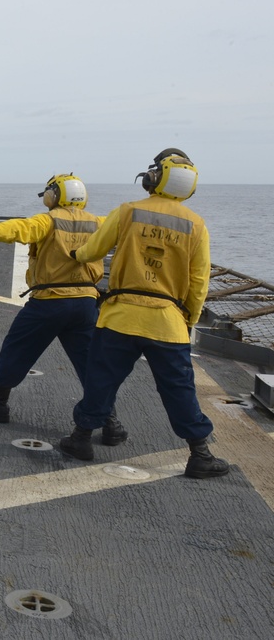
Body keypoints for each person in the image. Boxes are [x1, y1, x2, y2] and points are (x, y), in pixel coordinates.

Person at [58, 149, 229, 479]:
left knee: (101, 382)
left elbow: (93, 250)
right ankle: (200, 455)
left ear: (154, 179)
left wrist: (77, 254)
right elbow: (198, 282)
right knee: (179, 390)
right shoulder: (196, 225)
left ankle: (81, 439)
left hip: (120, 318)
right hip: (168, 324)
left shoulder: (128, 212)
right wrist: (188, 319)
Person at [0, 174, 127, 444]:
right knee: (92, 363)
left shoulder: (48, 220)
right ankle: (110, 421)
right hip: (85, 303)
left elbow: (20, 228)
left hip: (49, 302)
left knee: (16, 349)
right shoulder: (98, 222)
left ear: (53, 196)